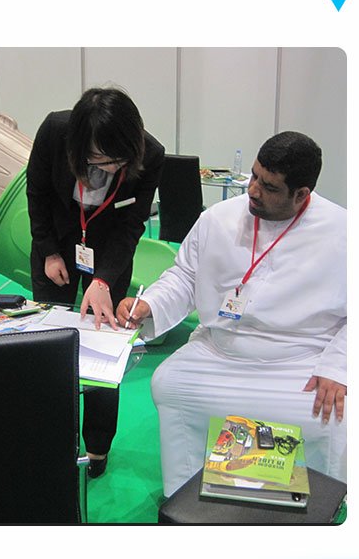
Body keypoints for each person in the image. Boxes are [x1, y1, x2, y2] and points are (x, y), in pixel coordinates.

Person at [116, 131, 346, 497]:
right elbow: (185, 276)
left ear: (301, 194)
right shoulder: (218, 219)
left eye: (268, 186)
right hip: (220, 349)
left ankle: (319, 503)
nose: (253, 190)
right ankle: (186, 495)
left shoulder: (343, 233)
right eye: (254, 176)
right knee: (170, 384)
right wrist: (151, 304)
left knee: (329, 415)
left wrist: (338, 367)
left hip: (300, 359)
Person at [26, 87, 165, 477]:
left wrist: (103, 278)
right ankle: (55, 437)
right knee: (51, 342)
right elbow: (37, 192)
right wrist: (49, 251)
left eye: (121, 161)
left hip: (108, 251)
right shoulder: (55, 131)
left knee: (105, 347)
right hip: (57, 242)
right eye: (101, 160)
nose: (113, 169)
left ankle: (98, 447)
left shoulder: (150, 154)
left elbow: (132, 224)